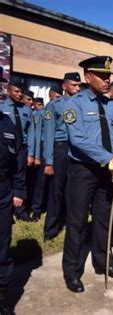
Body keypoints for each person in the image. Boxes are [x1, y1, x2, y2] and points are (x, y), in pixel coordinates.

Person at [62, 56, 113, 293]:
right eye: (101, 76)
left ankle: (104, 263)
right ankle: (72, 271)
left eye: (108, 76)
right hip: (83, 171)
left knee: (104, 222)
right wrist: (109, 158)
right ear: (87, 77)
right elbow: (77, 139)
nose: (106, 80)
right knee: (77, 223)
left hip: (109, 172)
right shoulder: (75, 104)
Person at [42, 72, 81, 240]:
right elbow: (49, 134)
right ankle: (51, 228)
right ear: (64, 86)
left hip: (77, 150)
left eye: (79, 85)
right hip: (61, 149)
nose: (77, 88)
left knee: (73, 191)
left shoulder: (82, 104)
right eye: (74, 85)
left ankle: (67, 222)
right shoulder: (55, 105)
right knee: (56, 190)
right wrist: (49, 161)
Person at [0, 80, 26, 315]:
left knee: (1, 248)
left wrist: (18, 191)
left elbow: (18, 162)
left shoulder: (7, 123)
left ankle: (3, 302)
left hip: (3, 191)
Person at [0, 78, 35, 222]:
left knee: (21, 176)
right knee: (7, 177)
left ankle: (20, 210)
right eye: (17, 91)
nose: (20, 94)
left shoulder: (26, 110)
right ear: (8, 91)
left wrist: (31, 153)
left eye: (21, 91)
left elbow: (31, 132)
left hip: (22, 148)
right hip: (6, 149)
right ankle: (6, 209)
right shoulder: (1, 107)